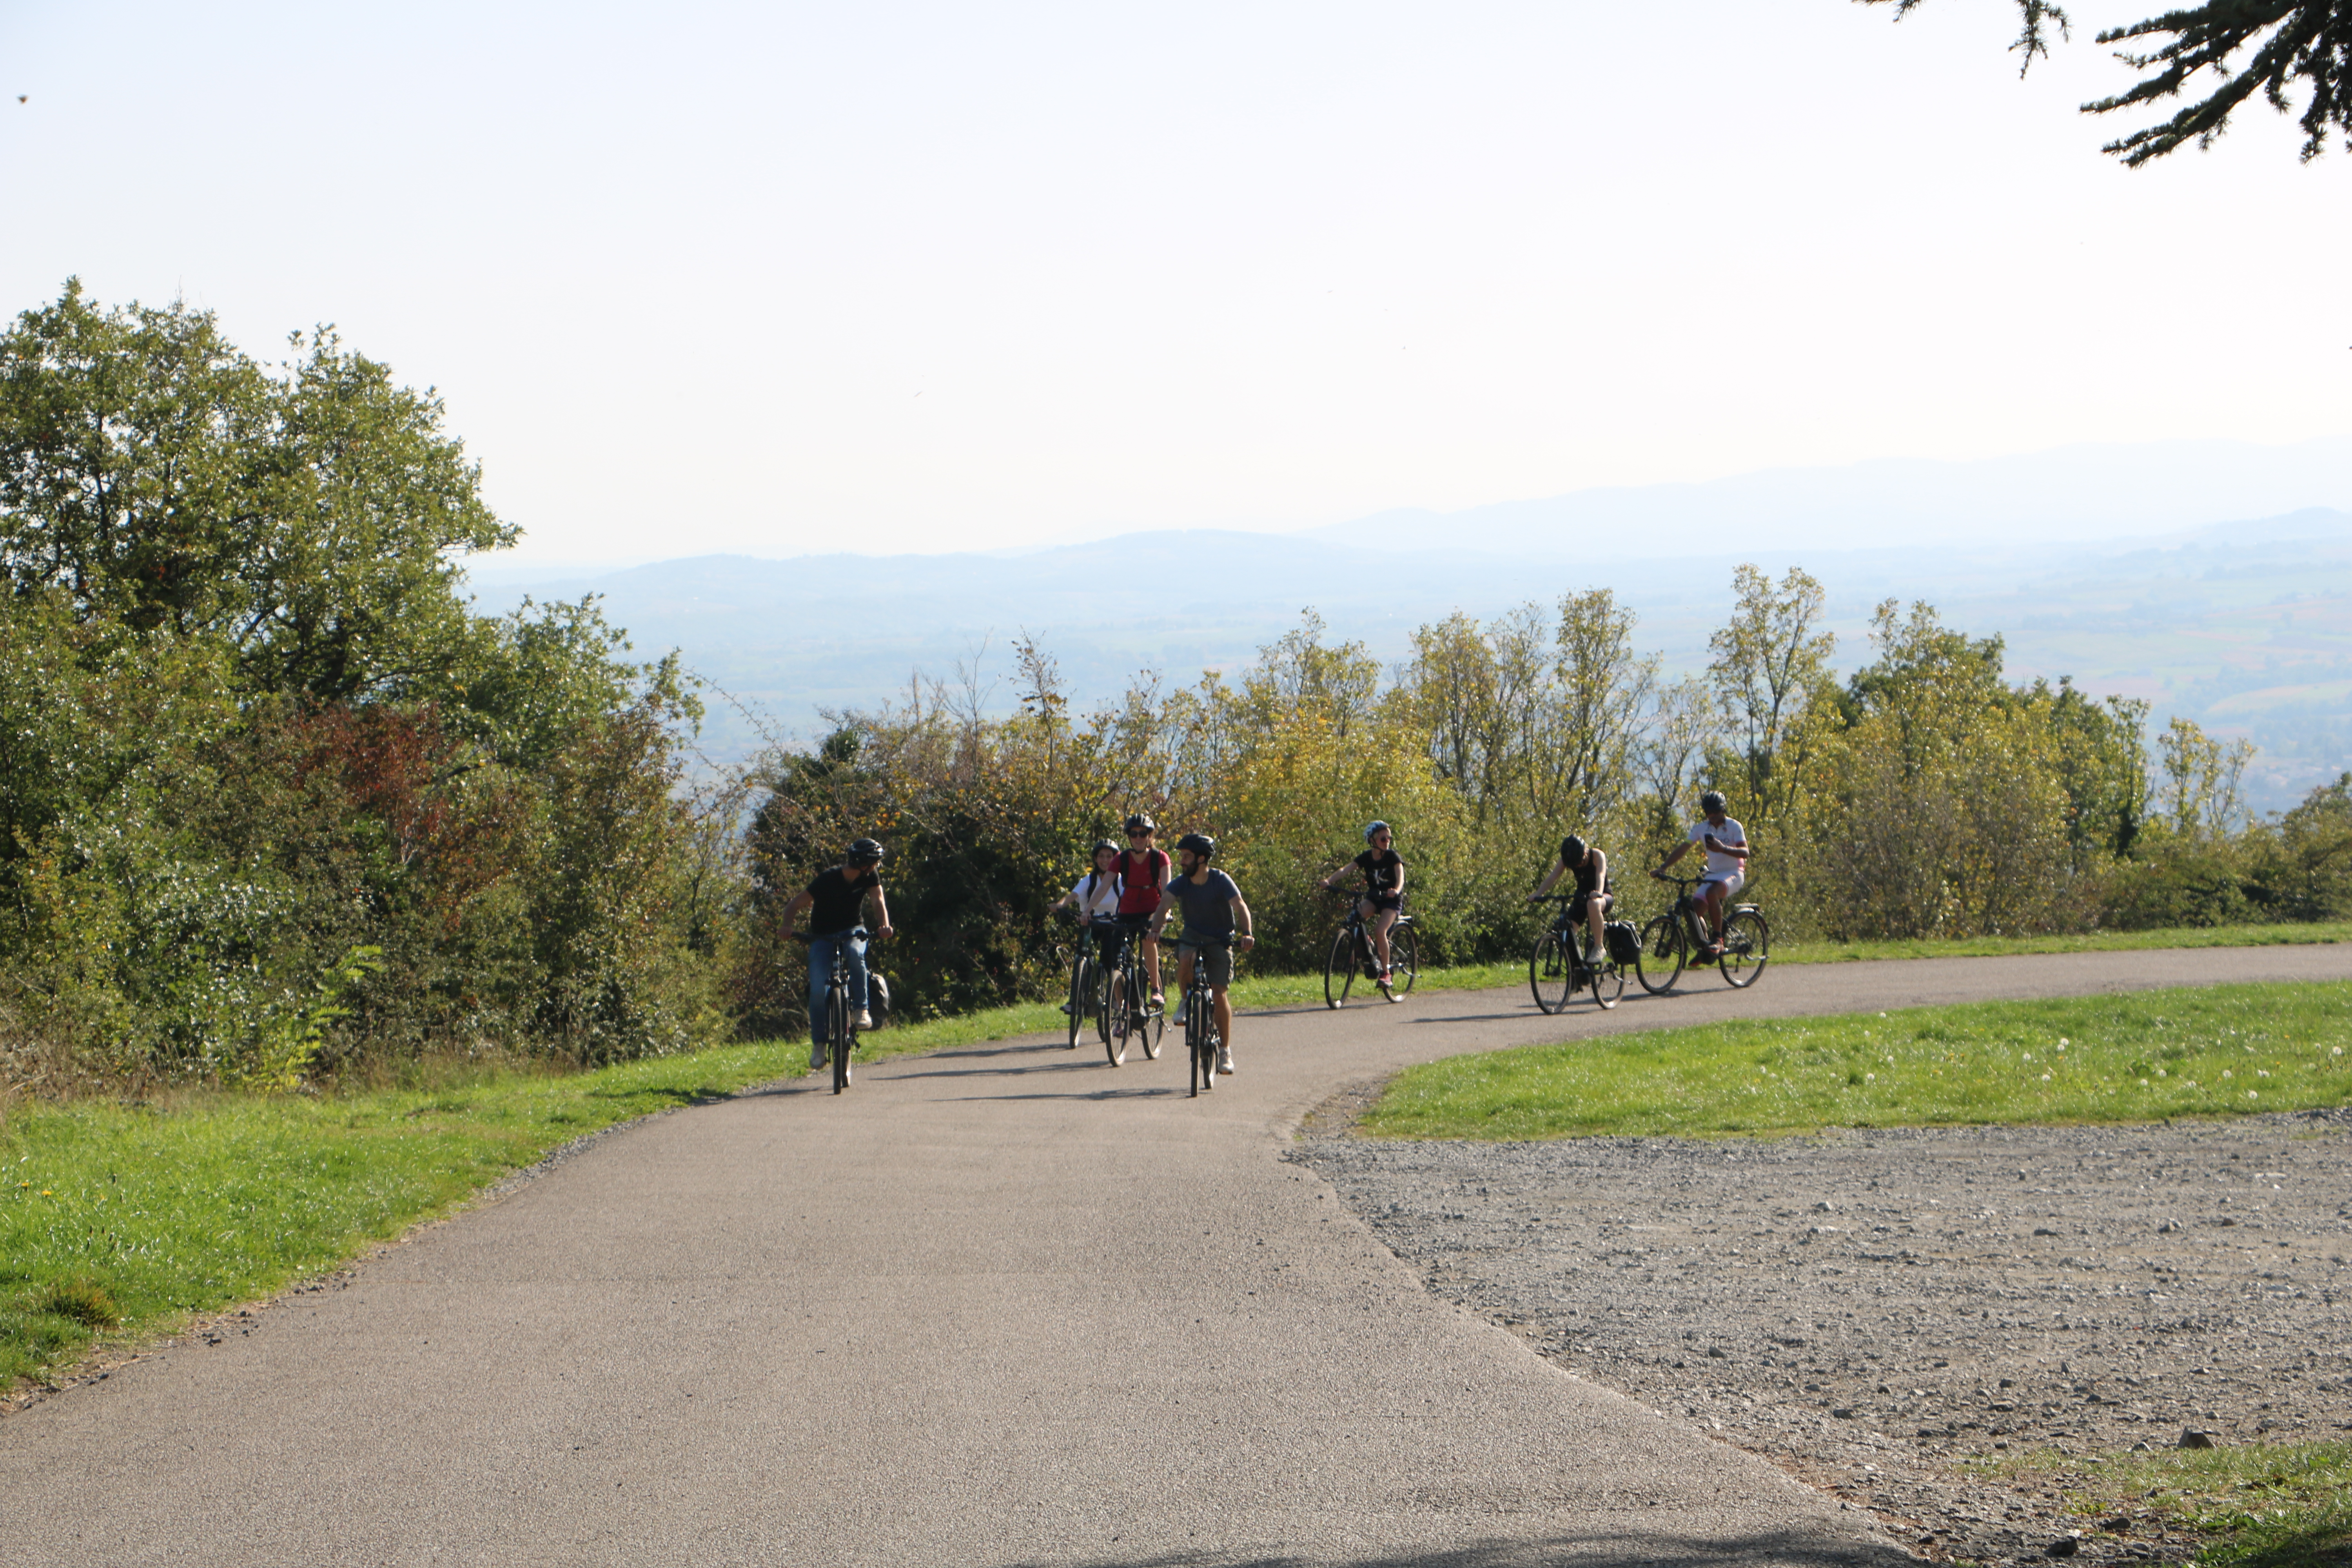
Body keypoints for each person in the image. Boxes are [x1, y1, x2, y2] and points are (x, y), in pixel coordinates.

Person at [779, 838, 894, 1073]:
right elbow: (794, 905)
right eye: (874, 863)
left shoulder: (869, 877)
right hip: (822, 935)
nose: (876, 867)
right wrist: (786, 926)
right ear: (864, 864)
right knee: (819, 988)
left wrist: (884, 925)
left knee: (854, 953)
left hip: (853, 930)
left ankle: (861, 1010)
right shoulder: (827, 879)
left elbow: (877, 900)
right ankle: (820, 1044)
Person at [1152, 832, 1255, 1075]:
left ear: (1201, 859)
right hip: (1193, 936)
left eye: (1187, 857)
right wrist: (1155, 930)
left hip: (1221, 939)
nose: (1182, 861)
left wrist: (1247, 933)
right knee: (1186, 958)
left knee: (1219, 994)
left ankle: (1225, 1051)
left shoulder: (1220, 880)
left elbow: (1240, 905)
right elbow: (1163, 905)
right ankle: (1187, 1000)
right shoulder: (1181, 882)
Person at [1654, 791, 1751, 956]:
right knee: (1693, 913)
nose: (1712, 816)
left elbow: (1745, 852)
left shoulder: (1734, 826)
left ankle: (1718, 939)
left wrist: (1723, 848)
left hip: (1734, 872)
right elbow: (1684, 848)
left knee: (1712, 893)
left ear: (1723, 810)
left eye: (1716, 812)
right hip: (1713, 874)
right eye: (1709, 813)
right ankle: (1706, 948)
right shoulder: (1701, 828)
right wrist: (1664, 867)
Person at [1317, 820, 1405, 991]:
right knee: (1353, 919)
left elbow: (1400, 876)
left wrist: (1396, 890)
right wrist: (1329, 881)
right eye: (1383, 839)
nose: (1387, 841)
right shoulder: (1366, 857)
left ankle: (1386, 973)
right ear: (1372, 840)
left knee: (1381, 931)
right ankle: (1367, 944)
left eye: (1389, 838)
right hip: (1373, 898)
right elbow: (1346, 869)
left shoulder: (1393, 857)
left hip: (1391, 900)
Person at [1049, 839, 1125, 1018]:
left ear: (1115, 859)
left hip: (1113, 925)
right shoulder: (1089, 880)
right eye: (1101, 856)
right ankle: (1076, 999)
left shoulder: (1120, 880)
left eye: (1109, 856)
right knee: (1080, 956)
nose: (1105, 860)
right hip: (1090, 923)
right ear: (1095, 859)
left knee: (1109, 959)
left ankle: (1118, 1000)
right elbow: (1072, 896)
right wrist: (1059, 905)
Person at [1115, 813, 1173, 1011]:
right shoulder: (1121, 859)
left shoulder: (1160, 858)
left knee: (1149, 939)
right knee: (1117, 953)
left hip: (1154, 910)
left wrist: (1163, 914)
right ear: (1129, 837)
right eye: (1134, 834)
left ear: (1150, 836)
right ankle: (1120, 1007)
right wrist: (1087, 911)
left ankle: (1156, 989)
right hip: (1128, 910)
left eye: (1143, 834)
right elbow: (1103, 887)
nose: (1138, 838)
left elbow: (1167, 892)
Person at [1530, 833, 1611, 964]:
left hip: (1603, 895)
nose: (1578, 867)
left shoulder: (1597, 855)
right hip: (1581, 897)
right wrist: (1538, 894)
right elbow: (1552, 877)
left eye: (1580, 863)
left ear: (1585, 853)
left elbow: (1601, 876)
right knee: (1566, 931)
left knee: (1593, 904)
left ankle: (1599, 947)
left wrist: (1598, 892)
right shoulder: (1567, 859)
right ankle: (1576, 974)